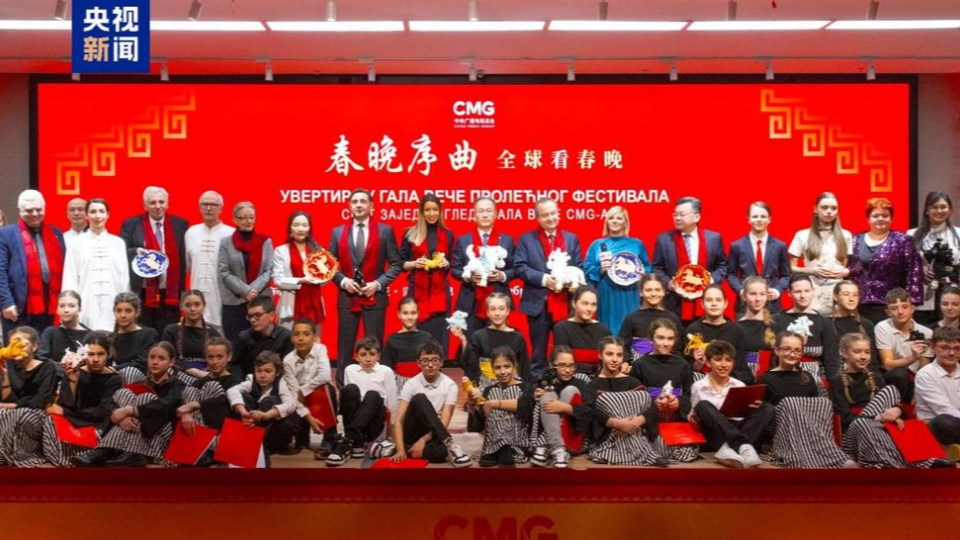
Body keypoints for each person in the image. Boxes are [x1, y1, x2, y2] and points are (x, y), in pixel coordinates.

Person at [829, 332, 947, 468]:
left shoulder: (876, 378)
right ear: (844, 353)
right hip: (854, 433)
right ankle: (901, 465)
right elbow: (844, 418)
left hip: (879, 426)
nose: (863, 357)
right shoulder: (836, 381)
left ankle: (925, 460)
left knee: (891, 390)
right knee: (863, 423)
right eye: (857, 352)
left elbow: (887, 409)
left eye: (867, 352)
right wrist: (876, 417)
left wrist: (897, 410)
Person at [328, 189, 402, 385]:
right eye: (354, 202)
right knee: (345, 347)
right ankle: (343, 388)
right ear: (349, 206)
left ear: (371, 206)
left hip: (375, 298)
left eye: (363, 201)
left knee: (374, 346)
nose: (359, 205)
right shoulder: (337, 232)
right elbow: (328, 265)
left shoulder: (385, 231)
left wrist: (377, 284)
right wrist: (343, 280)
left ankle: (376, 388)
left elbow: (396, 264)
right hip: (347, 297)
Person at [78, 342, 185, 467]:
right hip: (130, 431)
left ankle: (110, 450)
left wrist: (130, 410)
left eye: (161, 358)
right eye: (152, 357)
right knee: (123, 394)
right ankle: (111, 450)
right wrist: (122, 419)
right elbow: (113, 406)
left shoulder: (178, 385)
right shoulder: (140, 383)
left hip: (158, 434)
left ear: (171, 362)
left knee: (145, 398)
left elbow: (164, 405)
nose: (155, 362)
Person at [759, 331, 852, 468]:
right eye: (787, 349)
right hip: (782, 433)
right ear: (777, 350)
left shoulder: (808, 377)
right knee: (790, 403)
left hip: (812, 434)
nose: (792, 354)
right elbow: (765, 415)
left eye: (797, 350)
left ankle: (823, 453)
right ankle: (808, 455)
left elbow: (817, 410)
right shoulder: (765, 378)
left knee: (824, 402)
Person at [514, 197, 583, 378]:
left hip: (565, 302)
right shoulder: (526, 239)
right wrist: (544, 279)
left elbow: (578, 267)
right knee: (538, 352)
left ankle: (566, 382)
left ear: (559, 213)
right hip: (538, 303)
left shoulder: (571, 239)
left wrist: (569, 281)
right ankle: (537, 385)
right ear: (537, 218)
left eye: (553, 213)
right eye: (545, 215)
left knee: (565, 350)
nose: (551, 218)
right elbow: (519, 267)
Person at [689, 340, 773, 469]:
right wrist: (692, 414)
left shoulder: (739, 385)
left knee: (767, 408)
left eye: (728, 360)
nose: (724, 365)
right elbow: (696, 418)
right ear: (708, 362)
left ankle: (731, 449)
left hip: (738, 428)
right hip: (714, 433)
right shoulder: (698, 386)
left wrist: (753, 409)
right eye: (718, 360)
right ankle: (742, 446)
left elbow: (744, 416)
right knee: (703, 405)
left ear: (733, 363)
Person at [120, 186, 189, 334]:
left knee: (169, 334)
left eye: (161, 202)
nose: (158, 206)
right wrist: (135, 252)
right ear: (145, 205)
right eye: (152, 202)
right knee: (143, 334)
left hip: (171, 293)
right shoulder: (131, 225)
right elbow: (120, 251)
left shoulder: (181, 225)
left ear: (167, 204)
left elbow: (184, 257)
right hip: (143, 292)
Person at [391, 340, 471, 467]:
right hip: (412, 430)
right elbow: (399, 420)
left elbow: (443, 423)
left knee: (441, 453)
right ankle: (450, 443)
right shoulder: (411, 384)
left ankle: (403, 449)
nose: (430, 365)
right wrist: (400, 451)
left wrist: (422, 440)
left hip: (432, 431)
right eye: (425, 361)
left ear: (441, 362)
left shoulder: (450, 385)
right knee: (420, 398)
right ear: (419, 363)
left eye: (434, 360)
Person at [49, 331, 122, 467]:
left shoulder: (114, 379)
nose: (95, 359)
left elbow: (102, 412)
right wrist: (73, 381)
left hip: (97, 425)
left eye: (100, 354)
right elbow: (64, 404)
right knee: (49, 419)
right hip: (73, 420)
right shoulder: (75, 371)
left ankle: (79, 458)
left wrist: (67, 412)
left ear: (108, 354)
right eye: (91, 354)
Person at [588, 337, 664, 466]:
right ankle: (646, 455)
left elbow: (652, 408)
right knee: (609, 399)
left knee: (642, 396)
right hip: (610, 436)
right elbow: (592, 414)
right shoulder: (592, 385)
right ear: (600, 355)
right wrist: (617, 423)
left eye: (619, 355)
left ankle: (631, 451)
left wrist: (636, 422)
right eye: (609, 354)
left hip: (636, 431)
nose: (615, 359)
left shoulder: (633, 382)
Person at [651, 196, 728, 324]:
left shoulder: (713, 238)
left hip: (705, 303)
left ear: (696, 217)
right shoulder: (664, 239)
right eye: (675, 215)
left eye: (682, 214)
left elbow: (723, 267)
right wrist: (669, 284)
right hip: (674, 303)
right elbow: (656, 268)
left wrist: (709, 281)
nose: (677, 218)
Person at [0, 189, 66, 337]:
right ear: (20, 211)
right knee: (18, 349)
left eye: (39, 209)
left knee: (47, 349)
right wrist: (6, 302)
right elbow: (0, 271)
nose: (35, 214)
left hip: (51, 306)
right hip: (18, 307)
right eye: (29, 210)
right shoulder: (6, 234)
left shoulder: (56, 233)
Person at [629, 318, 696, 462]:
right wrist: (654, 403)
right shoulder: (640, 364)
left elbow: (689, 394)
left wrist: (678, 402)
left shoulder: (682, 364)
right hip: (649, 418)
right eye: (660, 338)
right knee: (661, 447)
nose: (665, 343)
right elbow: (634, 398)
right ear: (651, 339)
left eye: (670, 339)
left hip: (675, 418)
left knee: (682, 450)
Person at [848, 198, 924, 323]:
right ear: (868, 219)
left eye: (885, 215)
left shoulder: (902, 240)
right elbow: (851, 270)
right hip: (859, 304)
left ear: (891, 218)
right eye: (875, 216)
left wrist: (911, 303)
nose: (880, 219)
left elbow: (914, 272)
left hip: (891, 305)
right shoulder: (855, 240)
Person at [328, 336, 398, 467]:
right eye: (363, 354)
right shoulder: (350, 370)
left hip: (374, 425)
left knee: (373, 395)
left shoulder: (386, 371)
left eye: (372, 354)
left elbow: (392, 405)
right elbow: (349, 404)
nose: (368, 359)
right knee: (350, 389)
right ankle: (356, 445)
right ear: (356, 356)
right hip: (357, 426)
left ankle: (346, 441)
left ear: (378, 356)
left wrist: (391, 434)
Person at [61, 198, 130, 331]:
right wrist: (69, 305)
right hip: (86, 301)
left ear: (108, 214)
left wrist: (125, 306)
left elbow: (124, 279)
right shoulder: (76, 243)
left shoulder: (118, 243)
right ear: (87, 215)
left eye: (101, 211)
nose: (97, 216)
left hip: (113, 301)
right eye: (93, 212)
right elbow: (70, 276)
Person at [450, 197, 515, 337]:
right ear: (474, 215)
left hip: (499, 301)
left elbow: (515, 269)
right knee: (472, 342)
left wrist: (502, 275)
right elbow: (455, 269)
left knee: (498, 342)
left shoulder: (507, 240)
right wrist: (469, 277)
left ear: (495, 214)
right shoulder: (463, 240)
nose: (485, 215)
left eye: (489, 211)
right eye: (481, 211)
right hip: (471, 300)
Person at [583, 206, 651, 335]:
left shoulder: (637, 244)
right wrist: (600, 270)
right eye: (611, 218)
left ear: (625, 222)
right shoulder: (597, 245)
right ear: (607, 222)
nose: (615, 221)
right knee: (609, 332)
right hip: (607, 292)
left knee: (631, 330)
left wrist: (642, 272)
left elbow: (647, 267)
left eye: (619, 218)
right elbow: (587, 270)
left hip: (630, 292)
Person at [400, 193, 455, 351]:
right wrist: (414, 263)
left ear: (440, 211)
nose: (432, 214)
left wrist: (447, 264)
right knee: (417, 339)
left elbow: (454, 264)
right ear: (422, 212)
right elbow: (400, 263)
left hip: (440, 292)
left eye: (435, 210)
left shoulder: (448, 235)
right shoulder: (410, 233)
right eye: (428, 210)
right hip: (417, 290)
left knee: (439, 338)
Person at [527, 346, 596, 469]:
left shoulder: (580, 383)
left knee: (570, 390)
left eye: (571, 365)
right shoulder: (545, 382)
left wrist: (565, 407)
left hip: (573, 438)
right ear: (552, 365)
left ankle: (545, 444)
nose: (568, 370)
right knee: (546, 394)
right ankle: (558, 449)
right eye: (562, 365)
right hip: (554, 442)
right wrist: (535, 398)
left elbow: (589, 412)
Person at [0, 326, 59, 467]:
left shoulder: (47, 368)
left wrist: (10, 406)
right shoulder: (8, 368)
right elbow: (7, 398)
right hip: (11, 413)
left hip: (38, 414)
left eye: (22, 343)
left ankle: (26, 457)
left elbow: (41, 400)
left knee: (20, 414)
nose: (17, 347)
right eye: (12, 344)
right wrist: (5, 374)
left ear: (34, 346)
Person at [465, 346, 533, 468]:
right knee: (492, 397)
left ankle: (503, 447)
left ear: (514, 366)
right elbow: (478, 425)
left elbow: (525, 407)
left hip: (517, 440)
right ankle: (499, 448)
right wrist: (472, 404)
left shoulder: (525, 387)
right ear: (492, 369)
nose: (502, 372)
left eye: (507, 366)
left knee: (494, 403)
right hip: (492, 439)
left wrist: (495, 404)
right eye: (498, 367)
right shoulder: (488, 390)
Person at [226, 351, 300, 460]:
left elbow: (290, 404)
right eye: (258, 371)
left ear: (277, 372)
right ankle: (252, 443)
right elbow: (232, 391)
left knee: (270, 401)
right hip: (255, 427)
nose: (262, 375)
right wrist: (244, 413)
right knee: (243, 398)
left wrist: (267, 415)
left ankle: (257, 445)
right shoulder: (252, 381)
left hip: (277, 432)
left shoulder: (282, 382)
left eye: (268, 371)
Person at [788, 192, 853, 316]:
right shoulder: (802, 235)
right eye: (824, 207)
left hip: (838, 294)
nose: (829, 211)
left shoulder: (846, 235)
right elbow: (790, 267)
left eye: (833, 208)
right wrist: (810, 270)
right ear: (815, 209)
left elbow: (846, 265)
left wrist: (846, 271)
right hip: (812, 292)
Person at [218, 201, 273, 344]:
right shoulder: (225, 243)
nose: (248, 221)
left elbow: (269, 270)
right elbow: (224, 271)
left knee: (262, 344)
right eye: (243, 218)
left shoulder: (265, 241)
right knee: (236, 344)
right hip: (234, 302)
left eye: (251, 217)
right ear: (234, 220)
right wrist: (245, 291)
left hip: (260, 300)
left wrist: (253, 290)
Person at [282, 318, 337, 458]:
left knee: (327, 388)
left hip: (317, 395)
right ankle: (302, 437)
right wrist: (309, 417)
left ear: (314, 337)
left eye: (306, 334)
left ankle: (330, 438)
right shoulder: (288, 360)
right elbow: (294, 393)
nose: (301, 338)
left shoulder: (320, 349)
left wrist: (304, 390)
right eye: (296, 334)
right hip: (299, 401)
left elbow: (325, 375)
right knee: (289, 404)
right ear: (292, 338)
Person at [452, 292, 531, 386]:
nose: (497, 313)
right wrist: (463, 340)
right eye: (493, 309)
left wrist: (527, 389)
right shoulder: (478, 336)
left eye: (501, 309)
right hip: (485, 386)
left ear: (508, 311)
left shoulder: (517, 337)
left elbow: (524, 369)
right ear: (487, 312)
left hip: (513, 387)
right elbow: (470, 365)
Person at [772, 274, 841, 380]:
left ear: (813, 291)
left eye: (807, 291)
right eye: (798, 292)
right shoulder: (777, 320)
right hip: (782, 378)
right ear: (789, 293)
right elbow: (771, 356)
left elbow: (832, 360)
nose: (803, 296)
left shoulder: (824, 323)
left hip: (815, 379)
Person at [726, 202, 791, 314]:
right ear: (748, 219)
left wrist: (777, 291)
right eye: (755, 216)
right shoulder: (737, 245)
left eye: (763, 216)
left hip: (772, 306)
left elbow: (787, 275)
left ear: (769, 219)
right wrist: (741, 291)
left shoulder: (780, 246)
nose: (759, 220)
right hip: (744, 306)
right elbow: (730, 274)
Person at [175, 337, 243, 440]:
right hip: (198, 427)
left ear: (229, 357)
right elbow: (183, 404)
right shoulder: (199, 382)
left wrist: (194, 405)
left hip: (224, 431)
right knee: (189, 390)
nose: (214, 362)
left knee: (212, 386)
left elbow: (226, 401)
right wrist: (186, 413)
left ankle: (207, 439)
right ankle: (198, 437)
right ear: (205, 358)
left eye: (219, 357)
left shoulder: (236, 382)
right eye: (210, 357)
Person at [185, 191, 234, 331]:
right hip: (195, 300)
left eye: (213, 205)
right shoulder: (191, 232)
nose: (208, 208)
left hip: (222, 299)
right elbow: (187, 267)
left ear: (221, 208)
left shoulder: (231, 233)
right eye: (204, 204)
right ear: (199, 207)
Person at [874, 287, 934, 403]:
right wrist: (913, 358)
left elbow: (923, 369)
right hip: (892, 377)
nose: (900, 312)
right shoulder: (883, 327)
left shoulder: (926, 332)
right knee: (899, 374)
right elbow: (888, 364)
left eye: (905, 307)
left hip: (915, 379)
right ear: (888, 312)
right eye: (894, 308)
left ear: (912, 309)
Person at [908, 192, 960, 325]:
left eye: (943, 207)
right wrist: (919, 270)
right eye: (935, 207)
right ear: (927, 210)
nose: (939, 211)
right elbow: (905, 267)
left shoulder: (958, 234)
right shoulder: (911, 235)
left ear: (950, 210)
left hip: (953, 298)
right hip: (923, 297)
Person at [684, 284, 753, 384]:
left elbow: (740, 365)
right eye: (709, 300)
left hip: (730, 382)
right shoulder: (693, 329)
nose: (714, 304)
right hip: (701, 382)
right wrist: (698, 363)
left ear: (725, 303)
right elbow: (688, 367)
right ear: (702, 304)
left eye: (718, 300)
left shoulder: (737, 330)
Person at [273, 210, 326, 331]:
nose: (300, 229)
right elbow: (278, 280)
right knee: (288, 341)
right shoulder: (281, 251)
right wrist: (301, 280)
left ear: (309, 228)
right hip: (290, 308)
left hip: (314, 306)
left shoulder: (318, 251)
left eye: (304, 225)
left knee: (314, 341)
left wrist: (325, 276)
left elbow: (324, 279)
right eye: (296, 225)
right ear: (290, 228)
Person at [619, 274, 685, 362]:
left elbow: (679, 349)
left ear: (664, 292)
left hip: (667, 366)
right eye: (648, 290)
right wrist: (626, 363)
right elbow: (623, 346)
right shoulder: (631, 318)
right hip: (637, 366)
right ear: (641, 292)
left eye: (657, 290)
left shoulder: (673, 319)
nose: (653, 294)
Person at [915, 326, 960, 449]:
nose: (951, 353)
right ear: (933, 347)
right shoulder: (925, 374)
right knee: (944, 421)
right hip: (936, 426)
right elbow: (943, 409)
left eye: (957, 349)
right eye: (944, 348)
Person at [160, 290, 221, 380]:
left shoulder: (213, 333)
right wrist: (194, 372)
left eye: (197, 304)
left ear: (204, 306)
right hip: (178, 376)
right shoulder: (171, 331)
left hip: (208, 376)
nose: (193, 309)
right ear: (181, 307)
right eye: (188, 305)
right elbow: (166, 358)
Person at [552, 286, 612, 376]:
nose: (589, 309)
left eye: (593, 304)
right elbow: (564, 361)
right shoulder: (562, 328)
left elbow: (609, 360)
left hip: (599, 377)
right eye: (585, 304)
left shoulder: (604, 330)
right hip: (571, 376)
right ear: (574, 303)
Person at [232, 296, 293, 379]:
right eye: (250, 316)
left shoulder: (285, 337)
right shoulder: (244, 337)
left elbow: (288, 368)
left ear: (272, 315)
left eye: (257, 315)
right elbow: (235, 365)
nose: (252, 320)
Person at [830, 280, 881, 373]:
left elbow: (873, 361)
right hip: (836, 375)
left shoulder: (866, 324)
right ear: (835, 297)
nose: (851, 299)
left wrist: (875, 378)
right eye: (846, 294)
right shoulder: (826, 324)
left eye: (855, 295)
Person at [381, 298, 433, 388]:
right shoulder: (392, 339)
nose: (409, 317)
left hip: (424, 383)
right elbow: (387, 367)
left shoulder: (426, 338)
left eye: (413, 313)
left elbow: (435, 365)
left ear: (418, 314)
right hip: (399, 385)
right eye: (405, 313)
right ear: (399, 314)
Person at [737, 276, 778, 380]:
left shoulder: (775, 326)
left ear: (767, 296)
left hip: (770, 380)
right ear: (744, 296)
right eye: (753, 294)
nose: (758, 299)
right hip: (742, 380)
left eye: (762, 294)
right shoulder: (735, 328)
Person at [109, 292, 159, 377]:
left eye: (128, 311)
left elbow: (143, 362)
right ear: (114, 312)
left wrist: (114, 369)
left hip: (142, 378)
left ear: (137, 312)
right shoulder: (109, 338)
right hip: (114, 379)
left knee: (129, 372)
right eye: (119, 311)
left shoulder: (149, 334)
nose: (123, 315)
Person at [37, 290, 90, 364]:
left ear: (79, 309)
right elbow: (42, 359)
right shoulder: (50, 333)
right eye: (62, 306)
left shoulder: (89, 336)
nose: (66, 310)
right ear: (57, 310)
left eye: (71, 306)